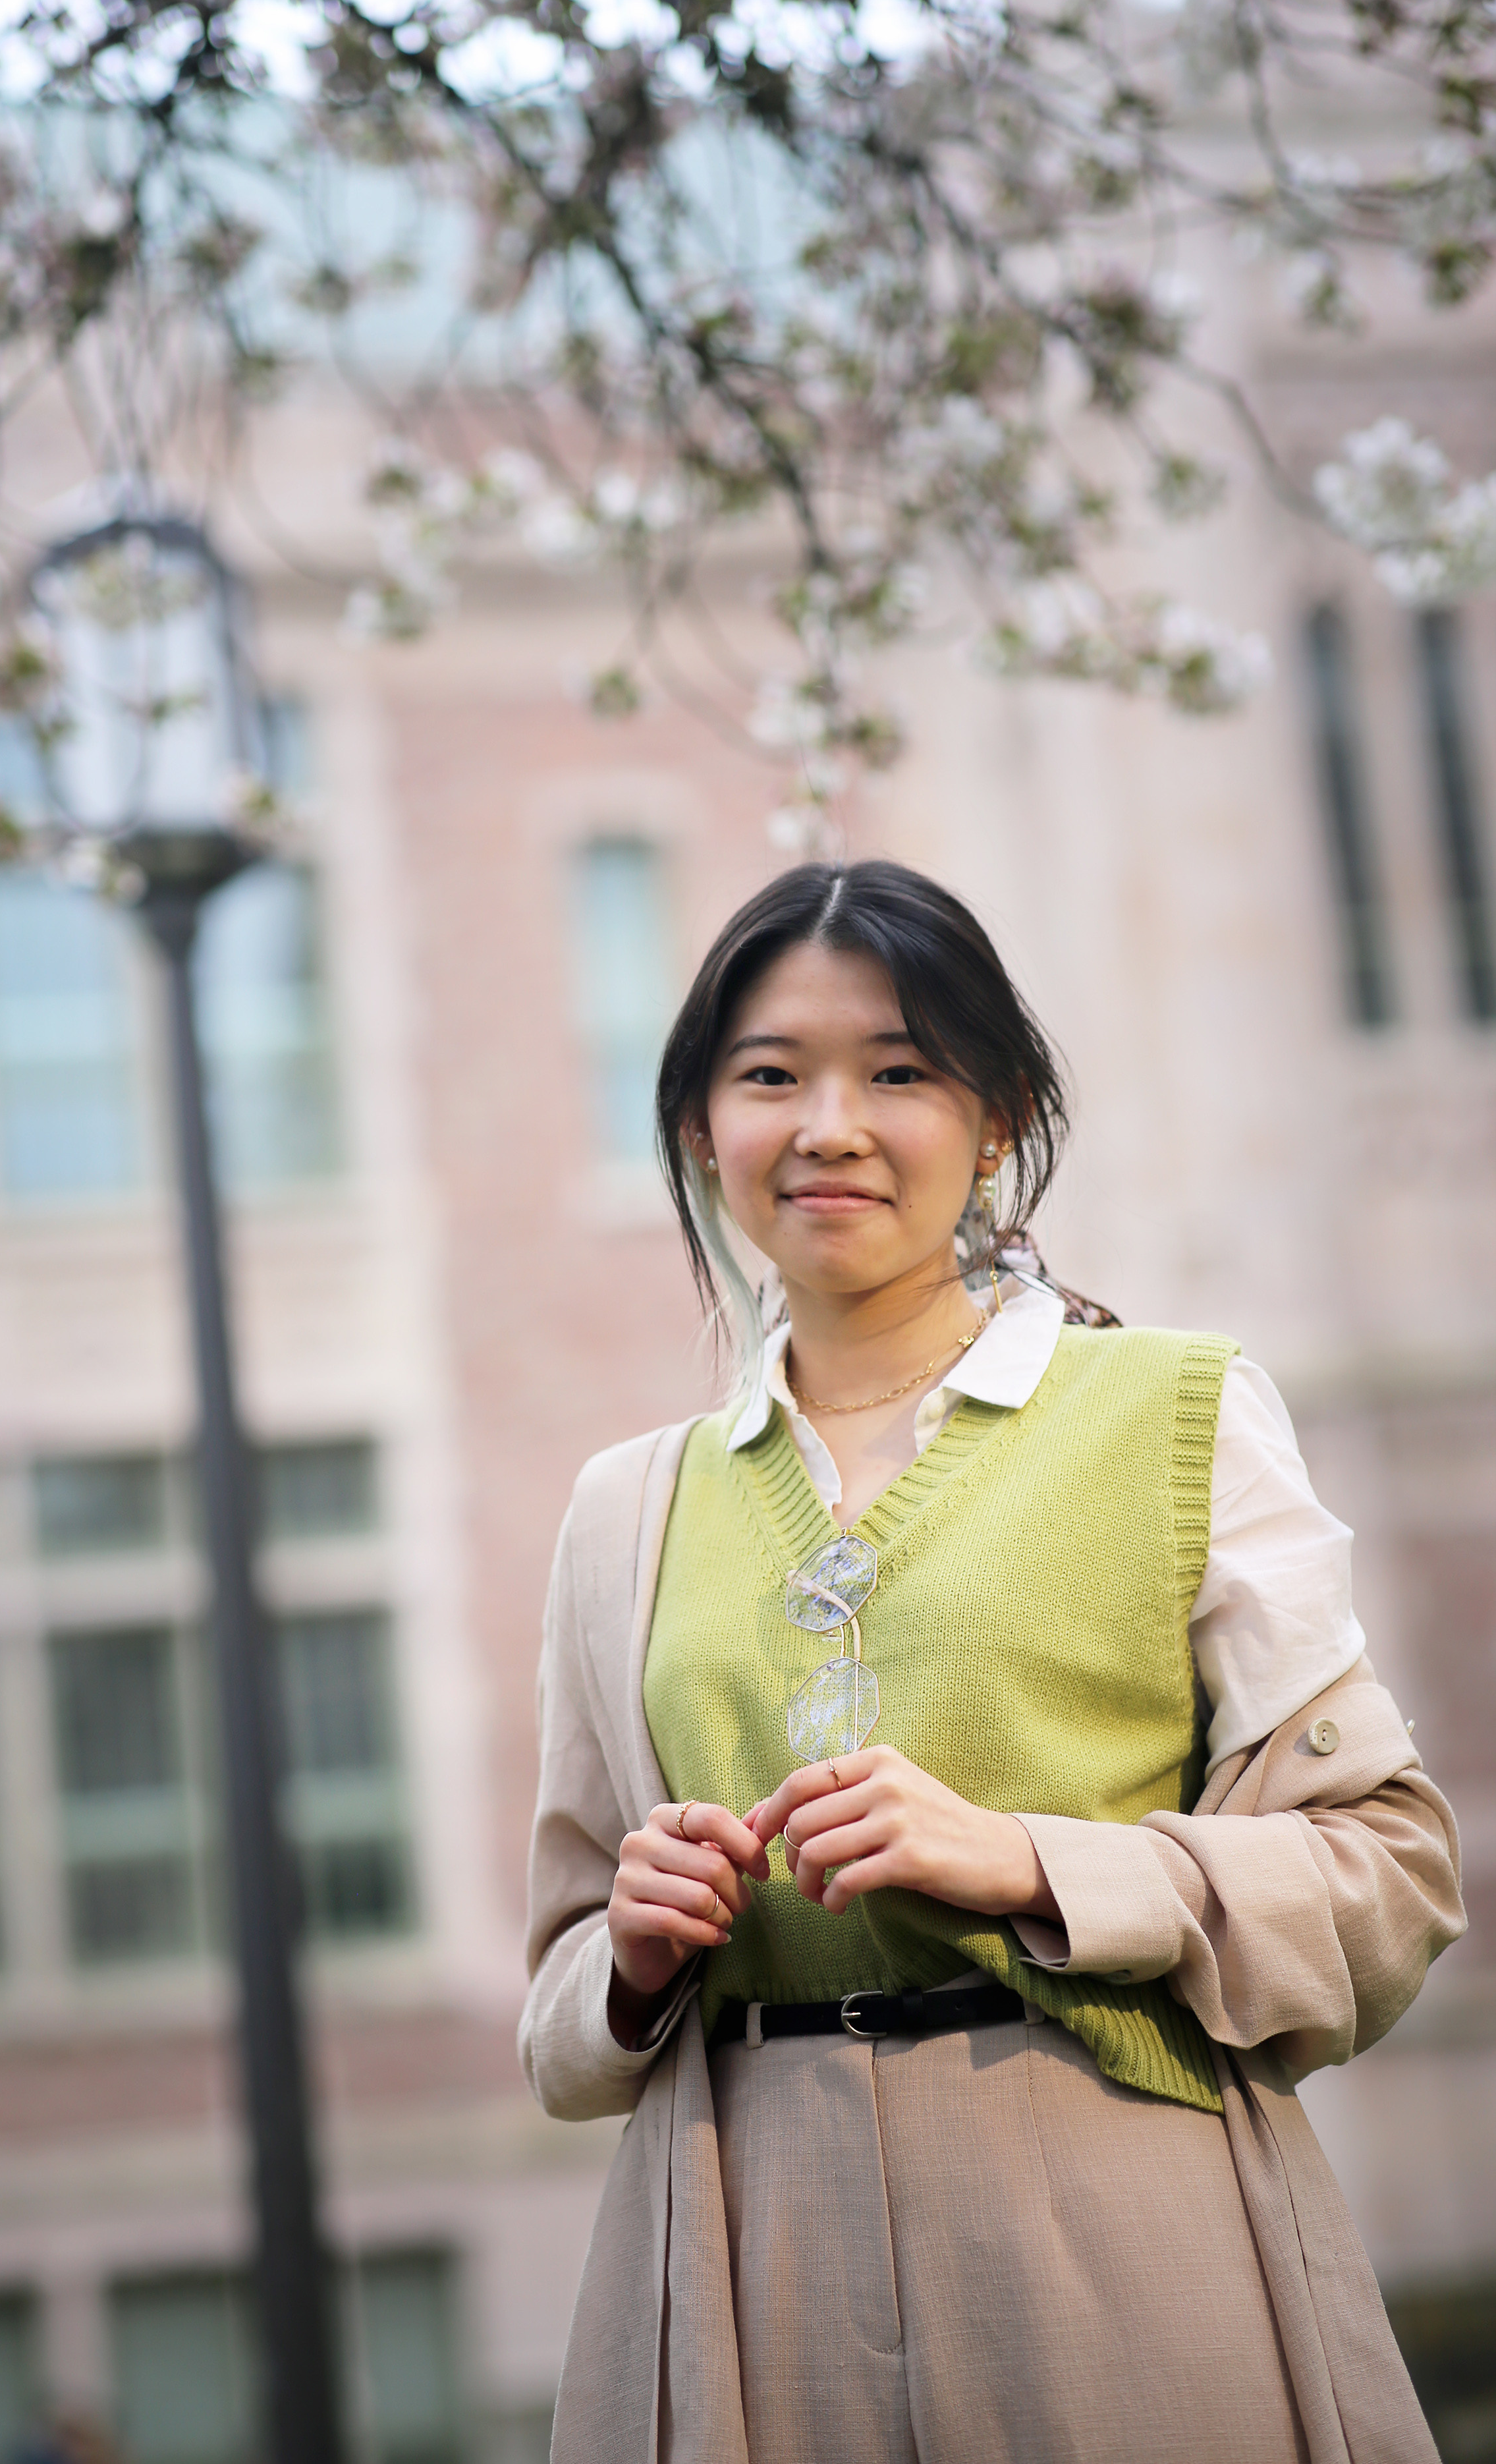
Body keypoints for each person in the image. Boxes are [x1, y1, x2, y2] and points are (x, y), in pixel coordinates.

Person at [520, 860, 1464, 2464]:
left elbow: (1390, 1878)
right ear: (697, 1128)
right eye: (769, 1076)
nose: (828, 1124)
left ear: (1000, 1114)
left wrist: (1029, 1861)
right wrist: (627, 1954)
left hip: (1112, 2231)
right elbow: (551, 2006)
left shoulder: (1174, 1413)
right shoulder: (626, 1509)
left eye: (897, 1071)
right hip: (745, 2264)